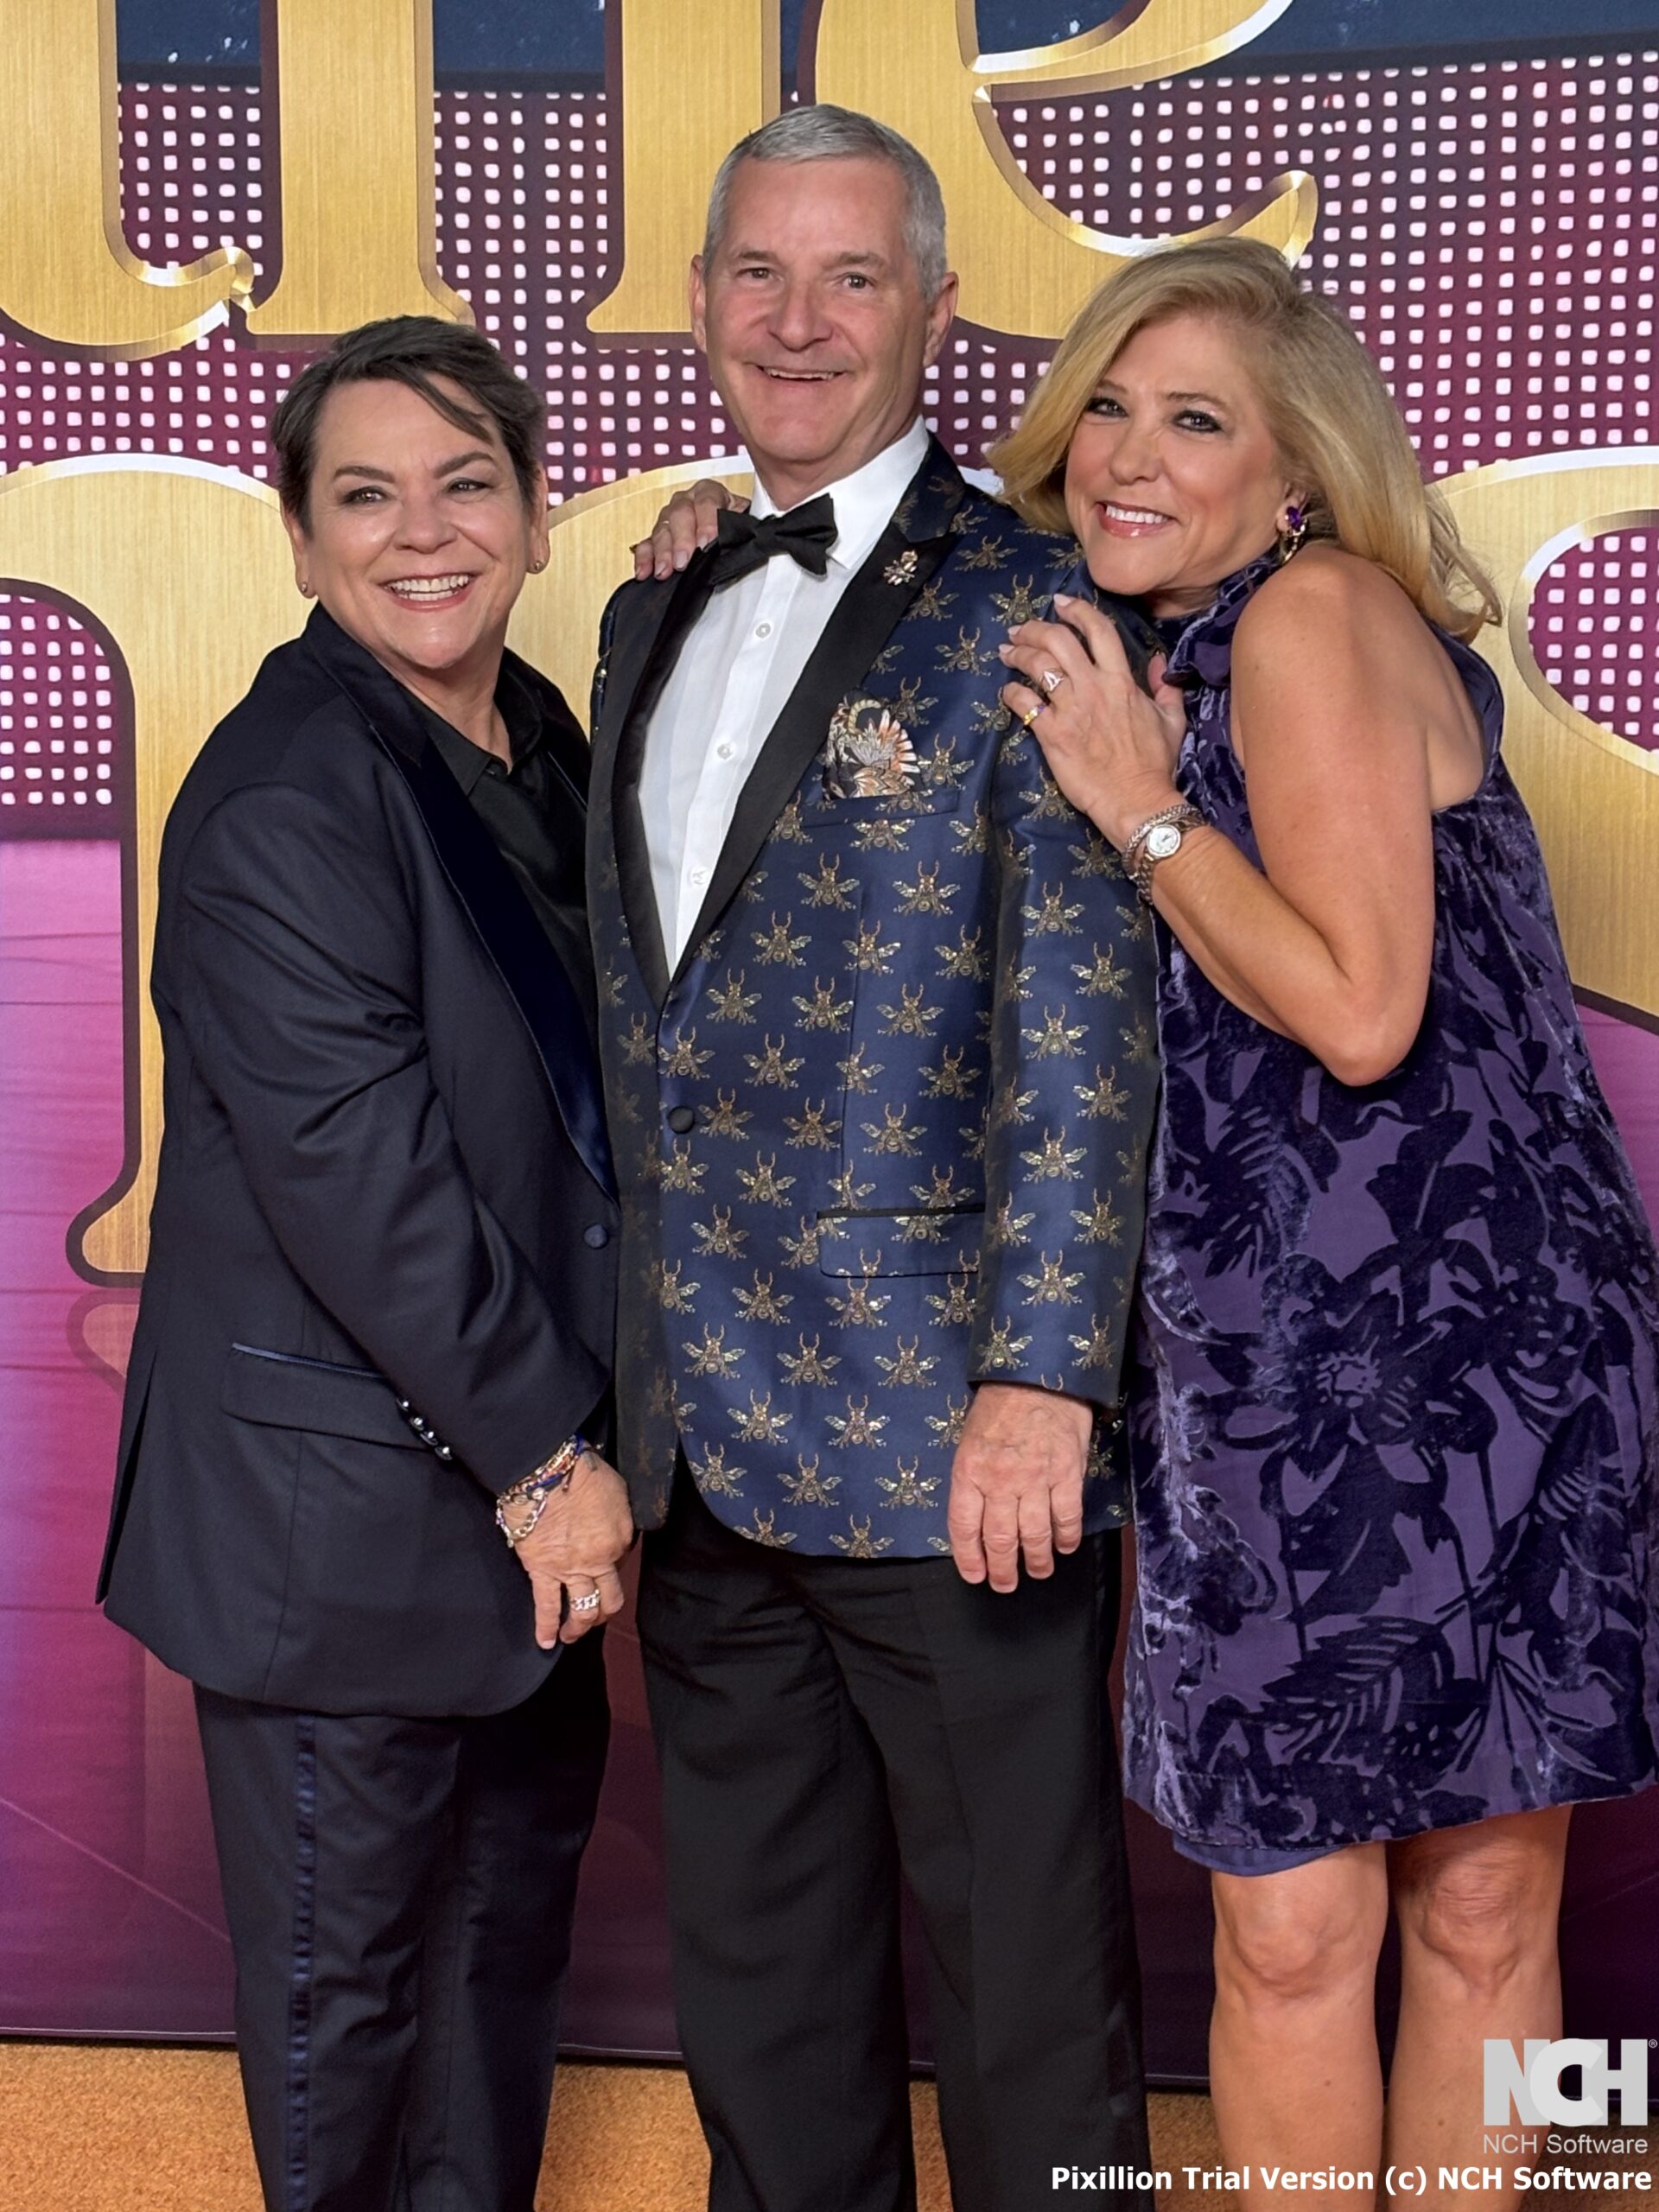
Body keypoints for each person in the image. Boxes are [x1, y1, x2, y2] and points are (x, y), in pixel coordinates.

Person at [987, 238, 1659, 2209]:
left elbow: (1364, 1015)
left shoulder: (1306, 617)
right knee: (1292, 1925)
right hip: (1277, 1361)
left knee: (1481, 1907)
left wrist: (1140, 810)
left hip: (1478, 1357)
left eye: (1195, 418)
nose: (1130, 452)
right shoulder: (1168, 644)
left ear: (1296, 472)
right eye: (1107, 405)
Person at [588, 107, 1160, 2212]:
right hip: (698, 1440)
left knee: (1028, 2012)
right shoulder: (649, 611)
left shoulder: (1042, 604)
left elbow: (1083, 1027)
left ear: (936, 307)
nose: (798, 319)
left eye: (852, 277)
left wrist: (1047, 1373)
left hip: (954, 1446)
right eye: (759, 272)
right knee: (767, 2009)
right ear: (701, 303)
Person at [97, 317, 633, 2212]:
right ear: (302, 537)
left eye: (466, 483)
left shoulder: (535, 738)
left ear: (539, 511)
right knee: (351, 2009)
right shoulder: (290, 792)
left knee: (492, 1981)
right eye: (366, 495)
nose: (424, 532)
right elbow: (357, 1177)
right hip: (348, 1520)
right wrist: (551, 1463)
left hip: (509, 1503)